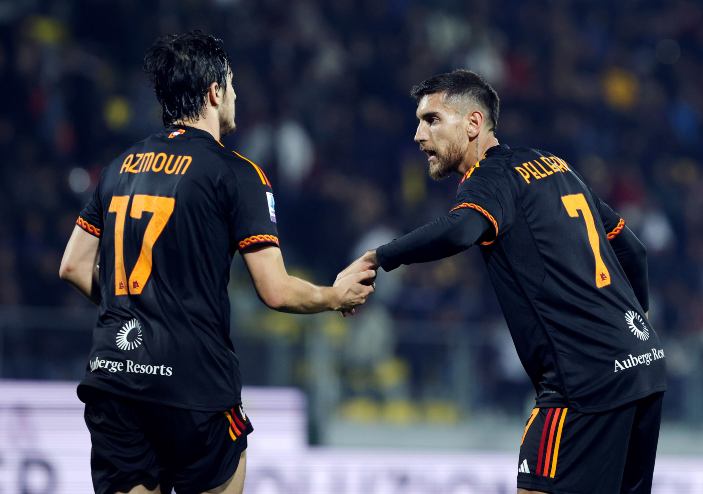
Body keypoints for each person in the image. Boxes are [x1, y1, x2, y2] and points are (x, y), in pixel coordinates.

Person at [59, 31, 375, 494]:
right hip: (193, 386)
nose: (236, 96)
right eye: (232, 85)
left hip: (115, 377)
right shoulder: (236, 173)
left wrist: (134, 308)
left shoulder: (119, 167)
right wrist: (334, 296)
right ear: (214, 92)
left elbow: (72, 265)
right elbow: (275, 290)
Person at [343, 69, 666, 494]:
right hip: (644, 366)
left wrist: (377, 257)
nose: (419, 135)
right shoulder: (557, 167)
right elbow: (633, 250)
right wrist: (633, 326)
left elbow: (460, 230)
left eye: (432, 120)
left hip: (583, 382)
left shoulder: (490, 179)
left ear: (473, 123)